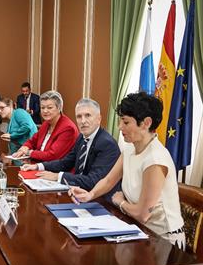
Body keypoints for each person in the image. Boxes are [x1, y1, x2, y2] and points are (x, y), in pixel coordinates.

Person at [71, 92, 185, 248]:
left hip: (162, 241)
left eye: (125, 122)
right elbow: (109, 180)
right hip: (137, 229)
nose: (119, 127)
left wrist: (120, 202)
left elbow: (142, 214)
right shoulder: (130, 148)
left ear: (146, 123)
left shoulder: (155, 160)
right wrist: (89, 195)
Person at [21, 98, 120, 192]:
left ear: (99, 118)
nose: (83, 121)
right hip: (77, 191)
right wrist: (39, 166)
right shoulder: (82, 137)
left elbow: (93, 181)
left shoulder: (107, 143)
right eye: (79, 116)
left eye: (88, 115)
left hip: (100, 199)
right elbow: (66, 162)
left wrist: (58, 176)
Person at [12, 90, 78, 162]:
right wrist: (24, 148)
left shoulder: (68, 128)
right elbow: (33, 140)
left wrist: (29, 153)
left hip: (55, 171)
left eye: (49, 107)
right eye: (42, 108)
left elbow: (53, 155)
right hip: (39, 165)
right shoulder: (46, 123)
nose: (45, 111)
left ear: (59, 108)